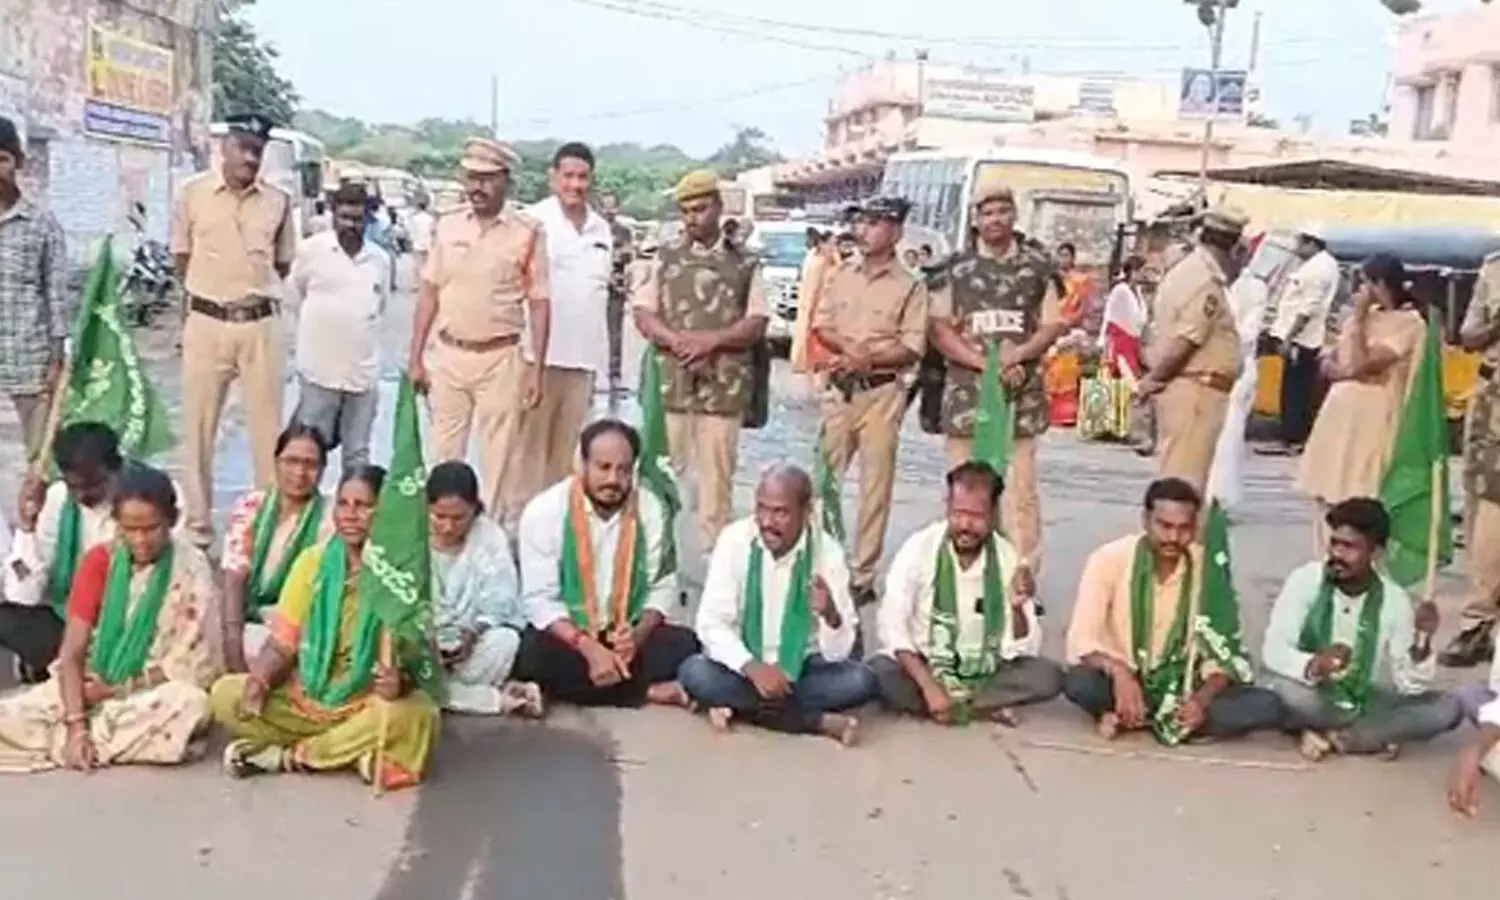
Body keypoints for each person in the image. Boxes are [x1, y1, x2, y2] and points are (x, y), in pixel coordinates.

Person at [210, 466, 440, 790]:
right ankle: (352, 752)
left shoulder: (401, 577)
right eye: (343, 504)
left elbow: (422, 664)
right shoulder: (312, 562)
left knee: (419, 714)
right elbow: (282, 644)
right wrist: (260, 679)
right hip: (307, 697)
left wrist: (398, 682)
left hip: (366, 701)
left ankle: (291, 757)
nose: (350, 515)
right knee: (225, 694)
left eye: (363, 506)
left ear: (384, 512)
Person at [0, 465, 219, 773]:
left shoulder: (191, 568)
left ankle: (74, 742)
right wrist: (77, 724)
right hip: (88, 687)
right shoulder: (99, 561)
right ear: (116, 524)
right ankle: (83, 742)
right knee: (10, 716)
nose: (141, 540)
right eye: (131, 529)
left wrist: (117, 691)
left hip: (148, 692)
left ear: (171, 521)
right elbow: (72, 652)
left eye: (151, 529)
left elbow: (192, 662)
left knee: (191, 703)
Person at [1064, 478, 1282, 743]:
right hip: (1125, 679)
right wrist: (1120, 673)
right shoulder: (1109, 559)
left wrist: (1200, 701)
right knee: (1078, 682)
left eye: (1184, 529)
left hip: (1185, 685)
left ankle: (1139, 717)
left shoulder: (1206, 568)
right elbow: (1082, 641)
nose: (1173, 538)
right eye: (1165, 526)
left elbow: (1222, 649)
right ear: (1146, 520)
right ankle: (1141, 712)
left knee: (1266, 704)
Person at [929, 173, 1068, 582]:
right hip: (967, 397)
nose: (995, 219)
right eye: (987, 212)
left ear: (1014, 215)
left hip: (1018, 396)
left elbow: (1051, 325)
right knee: (962, 490)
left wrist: (1018, 356)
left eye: (1003, 211)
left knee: (1020, 495)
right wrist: (979, 362)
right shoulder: (954, 270)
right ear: (976, 219)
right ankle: (959, 573)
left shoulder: (1038, 268)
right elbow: (938, 328)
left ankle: (1021, 576)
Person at [679, 465, 875, 744]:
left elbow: (838, 652)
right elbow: (712, 623)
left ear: (806, 513)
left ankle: (737, 708)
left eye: (780, 512)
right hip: (744, 666)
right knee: (695, 672)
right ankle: (815, 721)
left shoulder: (827, 553)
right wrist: (754, 669)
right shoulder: (735, 540)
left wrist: (831, 615)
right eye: (762, 509)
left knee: (861, 681)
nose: (767, 522)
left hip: (801, 669)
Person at [409, 137, 550, 524]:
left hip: (501, 359)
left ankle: (490, 542)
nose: (478, 188)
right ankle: (440, 540)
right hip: (450, 356)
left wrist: (536, 368)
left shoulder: (528, 232)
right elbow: (429, 293)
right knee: (443, 457)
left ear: (507, 182)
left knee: (498, 463)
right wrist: (415, 358)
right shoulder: (448, 225)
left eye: (488, 179)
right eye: (471, 178)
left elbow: (539, 301)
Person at [172, 112, 296, 548]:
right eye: (242, 147)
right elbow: (182, 256)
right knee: (199, 428)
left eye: (257, 150)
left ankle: (267, 528)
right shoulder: (193, 195)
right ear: (223, 147)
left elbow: (283, 262)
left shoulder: (279, 202)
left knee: (267, 431)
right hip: (206, 321)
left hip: (259, 322)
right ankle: (198, 528)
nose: (249, 157)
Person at [514, 420, 699, 707]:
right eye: (603, 467)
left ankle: (588, 686)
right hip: (571, 636)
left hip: (624, 633)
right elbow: (539, 600)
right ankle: (643, 692)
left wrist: (636, 637)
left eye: (623, 470)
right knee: (528, 652)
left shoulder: (650, 509)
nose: (613, 480)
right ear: (582, 464)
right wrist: (587, 647)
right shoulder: (545, 511)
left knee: (686, 647)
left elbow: (662, 587)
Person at [1260, 498, 1460, 761]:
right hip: (1311, 690)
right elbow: (1273, 650)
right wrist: (1314, 665)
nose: (1337, 555)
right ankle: (1367, 736)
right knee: (1286, 692)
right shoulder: (1305, 580)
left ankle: (1336, 735)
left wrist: (1422, 641)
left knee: (1448, 708)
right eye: (1335, 543)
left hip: (1362, 697)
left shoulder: (1394, 600)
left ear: (1376, 552)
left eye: (1350, 547)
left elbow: (1408, 685)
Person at [632, 170, 768, 550]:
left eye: (701, 209)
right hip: (670, 388)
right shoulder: (664, 258)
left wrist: (709, 343)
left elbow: (756, 322)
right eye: (687, 211)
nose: (694, 218)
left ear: (719, 208)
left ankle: (714, 566)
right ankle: (661, 559)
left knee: (716, 484)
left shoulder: (745, 263)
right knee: (662, 477)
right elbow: (643, 314)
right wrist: (678, 342)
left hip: (722, 390)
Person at [872, 462, 1062, 725]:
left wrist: (1019, 608)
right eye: (958, 513)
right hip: (926, 665)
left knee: (1047, 676)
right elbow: (893, 628)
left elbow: (1023, 647)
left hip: (985, 671)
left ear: (993, 514)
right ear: (947, 507)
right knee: (879, 673)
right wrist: (929, 686)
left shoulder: (1007, 558)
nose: (965, 525)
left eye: (976, 517)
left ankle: (955, 706)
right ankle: (977, 707)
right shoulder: (918, 548)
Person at [811, 196, 929, 606]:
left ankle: (862, 574)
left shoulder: (911, 285)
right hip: (840, 390)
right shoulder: (842, 274)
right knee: (824, 480)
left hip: (882, 393)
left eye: (876, 224)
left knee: (874, 489)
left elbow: (913, 345)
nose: (864, 230)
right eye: (862, 222)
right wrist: (850, 349)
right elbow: (822, 324)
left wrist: (870, 358)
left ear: (895, 232)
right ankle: (820, 563)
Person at [1296, 253, 1427, 551]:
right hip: (1340, 412)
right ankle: (1323, 560)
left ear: (1379, 284)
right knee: (1326, 492)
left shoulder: (1409, 323)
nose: (1360, 291)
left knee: (1359, 493)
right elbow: (1329, 360)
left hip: (1374, 416)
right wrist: (1339, 363)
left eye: (1365, 283)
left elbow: (1361, 364)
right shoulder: (1362, 319)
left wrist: (1356, 320)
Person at [512, 143, 614, 509]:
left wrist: (604, 374)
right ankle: (516, 538)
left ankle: (552, 538)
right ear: (553, 178)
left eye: (583, 177)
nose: (575, 184)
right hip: (537, 361)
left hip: (582, 365)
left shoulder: (602, 229)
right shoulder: (531, 222)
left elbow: (600, 300)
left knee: (566, 463)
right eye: (568, 176)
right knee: (526, 459)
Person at [1135, 206, 1247, 497]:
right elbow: (1186, 340)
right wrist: (1154, 380)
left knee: (1184, 477)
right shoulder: (1203, 280)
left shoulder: (1190, 271)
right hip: (1196, 390)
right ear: (1235, 248)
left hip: (1194, 388)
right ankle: (1177, 541)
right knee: (1184, 484)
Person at [0, 423, 127, 682]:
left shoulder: (145, 498)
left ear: (116, 470)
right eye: (74, 486)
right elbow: (23, 596)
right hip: (72, 622)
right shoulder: (56, 499)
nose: (82, 495)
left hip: (129, 622)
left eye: (92, 485)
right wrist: (27, 528)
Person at [287, 182, 390, 471]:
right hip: (319, 374)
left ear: (367, 220)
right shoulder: (311, 251)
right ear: (333, 215)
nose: (350, 225)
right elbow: (295, 297)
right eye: (344, 217)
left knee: (357, 457)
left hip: (361, 377)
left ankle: (352, 515)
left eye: (357, 219)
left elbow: (379, 308)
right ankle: (306, 516)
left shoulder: (380, 260)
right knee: (308, 454)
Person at [428, 461, 543, 717]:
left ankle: (444, 695)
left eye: (459, 518)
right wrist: (429, 639)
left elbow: (502, 601)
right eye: (439, 516)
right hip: (425, 644)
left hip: (468, 646)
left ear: (475, 511)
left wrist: (471, 633)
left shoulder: (490, 537)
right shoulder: (409, 538)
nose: (448, 527)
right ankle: (494, 700)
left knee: (505, 641)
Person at [219, 424, 335, 673]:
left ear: (323, 470)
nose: (300, 472)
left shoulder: (330, 519)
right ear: (276, 462)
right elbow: (234, 577)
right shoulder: (251, 505)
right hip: (247, 619)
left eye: (310, 464)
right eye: (291, 461)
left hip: (297, 626)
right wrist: (232, 644)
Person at [1440, 251, 1500, 668]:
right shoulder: (1494, 268)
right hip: (1494, 400)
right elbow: (1469, 336)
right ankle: (1479, 622)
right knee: (1487, 513)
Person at [0, 116, 66, 459]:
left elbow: (56, 296)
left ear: (18, 162)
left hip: (29, 359)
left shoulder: (42, 224)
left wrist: (57, 360)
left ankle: (35, 512)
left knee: (39, 457)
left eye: (2, 159)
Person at [1261, 226, 1339, 456]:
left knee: (1296, 390)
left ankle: (1293, 437)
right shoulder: (1314, 265)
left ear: (1312, 243)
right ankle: (1292, 436)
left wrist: (1289, 337)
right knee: (1293, 387)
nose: (1296, 248)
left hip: (1302, 339)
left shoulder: (1320, 269)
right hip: (1298, 336)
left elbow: (1308, 308)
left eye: (1300, 243)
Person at [598, 190, 633, 389]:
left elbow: (628, 255)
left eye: (613, 206)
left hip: (616, 289)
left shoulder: (623, 232)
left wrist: (613, 255)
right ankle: (591, 375)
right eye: (605, 206)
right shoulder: (592, 229)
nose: (609, 211)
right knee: (592, 331)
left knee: (615, 333)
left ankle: (615, 375)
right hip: (595, 287)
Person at [1100, 255, 1149, 378]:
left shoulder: (1138, 291)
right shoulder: (1120, 290)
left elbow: (1141, 318)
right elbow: (1109, 315)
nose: (1145, 274)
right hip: (1121, 341)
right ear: (1133, 271)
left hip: (1134, 342)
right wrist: (1104, 343)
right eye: (1143, 270)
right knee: (1128, 379)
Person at [407, 197, 435, 285]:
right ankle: (427, 281)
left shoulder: (414, 219)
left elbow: (411, 231)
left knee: (417, 264)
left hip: (417, 243)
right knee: (427, 263)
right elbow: (433, 231)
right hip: (428, 243)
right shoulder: (430, 218)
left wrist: (411, 240)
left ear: (418, 208)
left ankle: (416, 283)